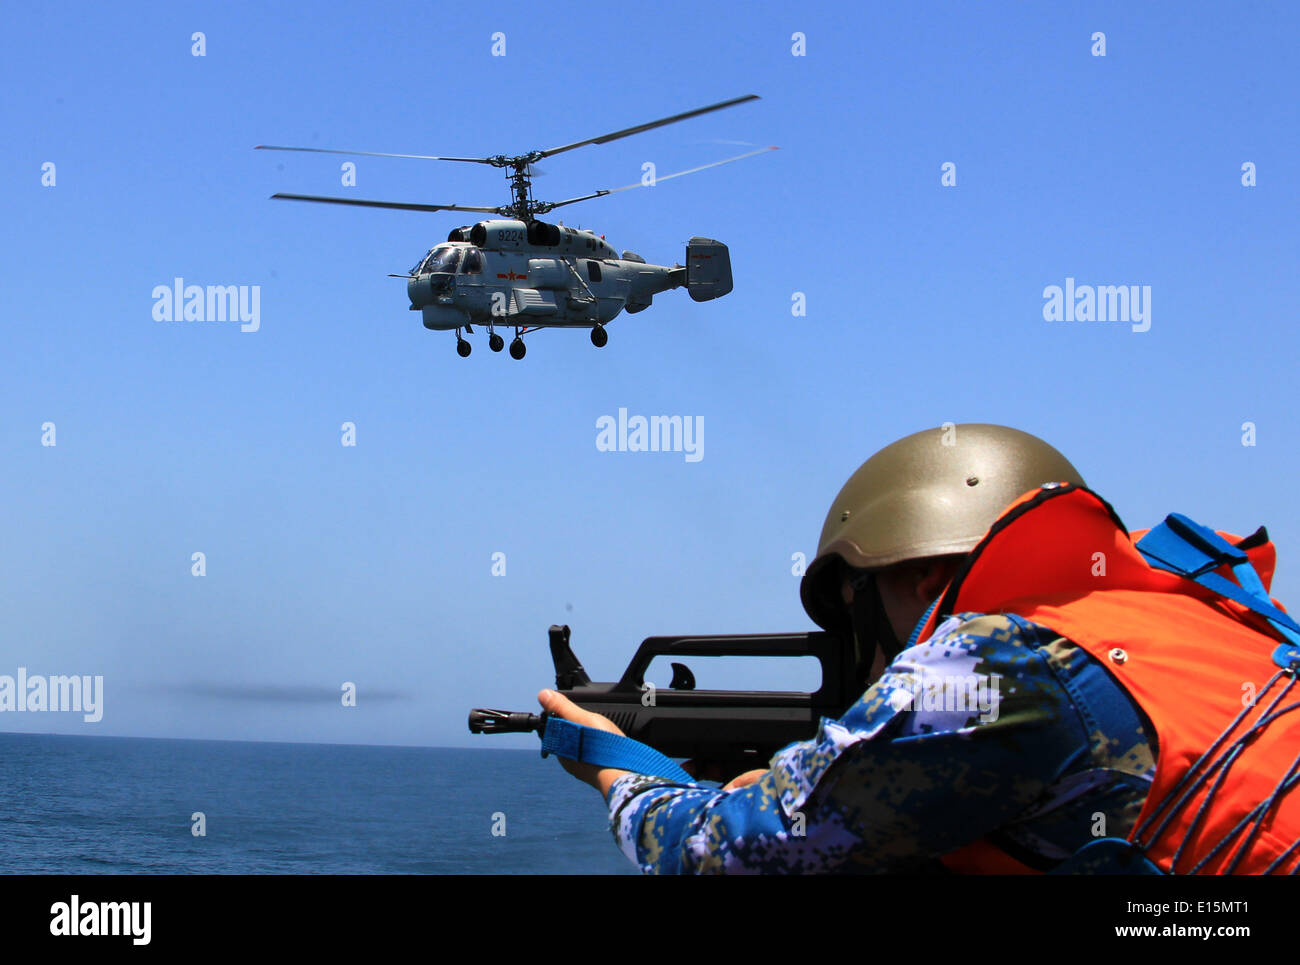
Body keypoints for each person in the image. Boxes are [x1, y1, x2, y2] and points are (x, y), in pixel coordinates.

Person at [540, 424, 1300, 874]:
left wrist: (616, 768)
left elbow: (716, 858)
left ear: (923, 571)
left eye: (853, 602)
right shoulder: (1212, 614)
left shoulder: (1000, 664)